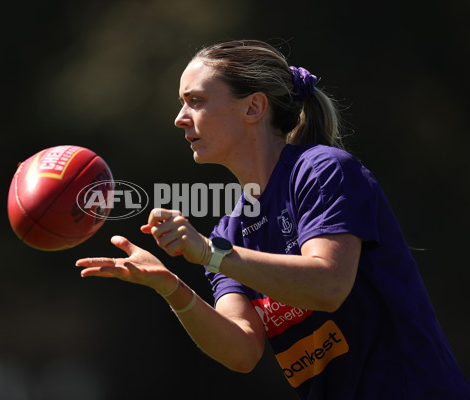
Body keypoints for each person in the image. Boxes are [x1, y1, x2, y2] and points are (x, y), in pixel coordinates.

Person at [75, 40, 470, 398]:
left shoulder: (322, 169)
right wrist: (173, 287)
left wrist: (210, 254)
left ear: (253, 107)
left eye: (195, 101)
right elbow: (243, 351)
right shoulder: (230, 229)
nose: (180, 117)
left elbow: (328, 283)